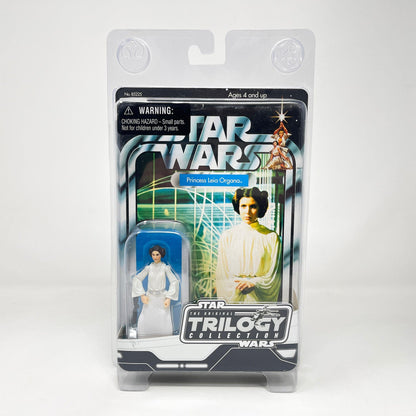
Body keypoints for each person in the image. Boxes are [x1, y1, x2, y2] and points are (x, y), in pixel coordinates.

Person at [215, 187, 281, 303]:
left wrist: (254, 283)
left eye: (253, 206)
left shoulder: (271, 237)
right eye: (243, 206)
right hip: (233, 295)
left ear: (260, 208)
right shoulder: (228, 236)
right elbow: (222, 273)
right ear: (238, 207)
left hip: (258, 298)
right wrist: (236, 285)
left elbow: (274, 274)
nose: (247, 212)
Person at [132, 245, 179, 337]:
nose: (155, 257)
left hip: (161, 298)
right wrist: (142, 295)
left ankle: (165, 336)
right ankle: (144, 335)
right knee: (146, 316)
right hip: (150, 298)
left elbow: (174, 281)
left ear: (161, 255)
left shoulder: (165, 268)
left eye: (157, 254)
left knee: (163, 318)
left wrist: (168, 297)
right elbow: (137, 279)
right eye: (153, 255)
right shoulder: (148, 268)